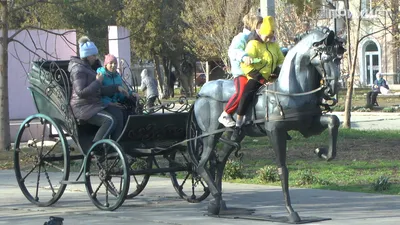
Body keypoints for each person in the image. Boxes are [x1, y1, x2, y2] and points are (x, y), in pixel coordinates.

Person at [69, 36, 124, 143]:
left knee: (118, 114)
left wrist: (116, 88)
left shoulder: (88, 68)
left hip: (94, 105)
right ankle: (96, 149)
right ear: (87, 55)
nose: (95, 57)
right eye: (93, 55)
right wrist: (98, 81)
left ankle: (115, 146)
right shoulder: (78, 70)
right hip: (83, 108)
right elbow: (81, 93)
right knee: (109, 120)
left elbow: (98, 90)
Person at [235, 16, 285, 130]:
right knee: (247, 93)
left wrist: (277, 72)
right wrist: (262, 80)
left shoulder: (275, 45)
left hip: (272, 78)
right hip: (256, 77)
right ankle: (239, 122)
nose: (268, 40)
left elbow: (281, 61)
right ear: (261, 33)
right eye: (267, 37)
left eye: (271, 37)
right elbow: (246, 66)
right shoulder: (253, 44)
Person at [218, 14, 264, 127]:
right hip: (242, 73)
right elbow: (233, 51)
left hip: (255, 72)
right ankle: (225, 114)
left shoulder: (259, 39)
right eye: (260, 25)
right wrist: (243, 56)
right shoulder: (241, 38)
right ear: (253, 25)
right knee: (242, 91)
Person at [96, 54, 139, 122]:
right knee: (119, 115)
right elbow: (98, 94)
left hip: (117, 103)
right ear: (105, 65)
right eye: (111, 63)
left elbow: (124, 90)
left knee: (132, 114)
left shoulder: (117, 76)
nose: (113, 65)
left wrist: (132, 93)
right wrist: (110, 103)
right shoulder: (100, 76)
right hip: (105, 104)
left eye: (115, 63)